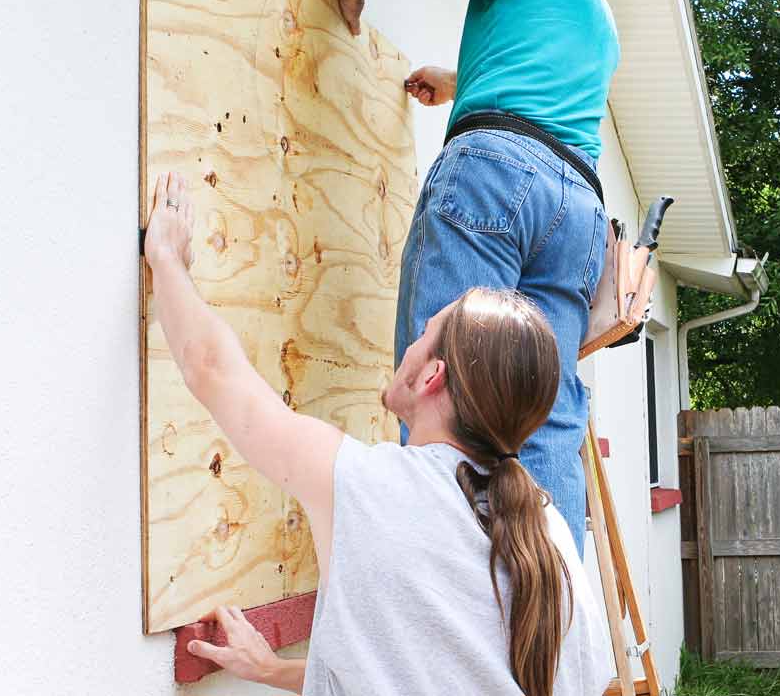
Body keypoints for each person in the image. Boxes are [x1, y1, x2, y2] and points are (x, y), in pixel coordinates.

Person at [145, 172, 611, 695]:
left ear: (431, 375)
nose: (410, 344)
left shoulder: (367, 486)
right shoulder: (549, 534)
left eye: (425, 332)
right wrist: (272, 671)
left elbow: (212, 368)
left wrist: (166, 258)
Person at [326, 0, 620, 552]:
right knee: (539, 406)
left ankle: (443, 606)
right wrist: (460, 83)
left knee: (444, 382)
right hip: (577, 209)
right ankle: (542, 628)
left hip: (496, 180)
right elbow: (543, 93)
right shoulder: (594, 4)